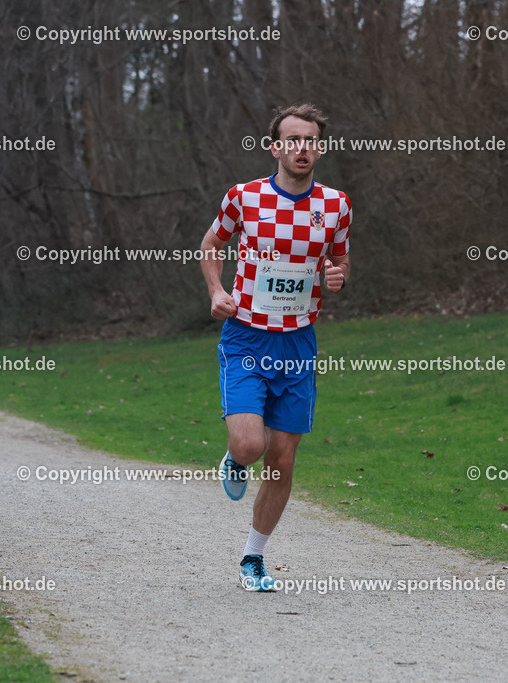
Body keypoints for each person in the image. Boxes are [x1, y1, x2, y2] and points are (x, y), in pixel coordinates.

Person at [199, 103, 351, 591]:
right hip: (246, 335)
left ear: (320, 148)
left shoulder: (337, 205)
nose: (301, 148)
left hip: (298, 342)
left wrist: (336, 277)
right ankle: (235, 458)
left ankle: (252, 559)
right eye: (292, 139)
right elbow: (210, 245)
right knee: (249, 444)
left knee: (282, 461)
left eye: (310, 140)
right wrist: (217, 292)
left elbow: (340, 267)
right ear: (276, 147)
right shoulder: (243, 198)